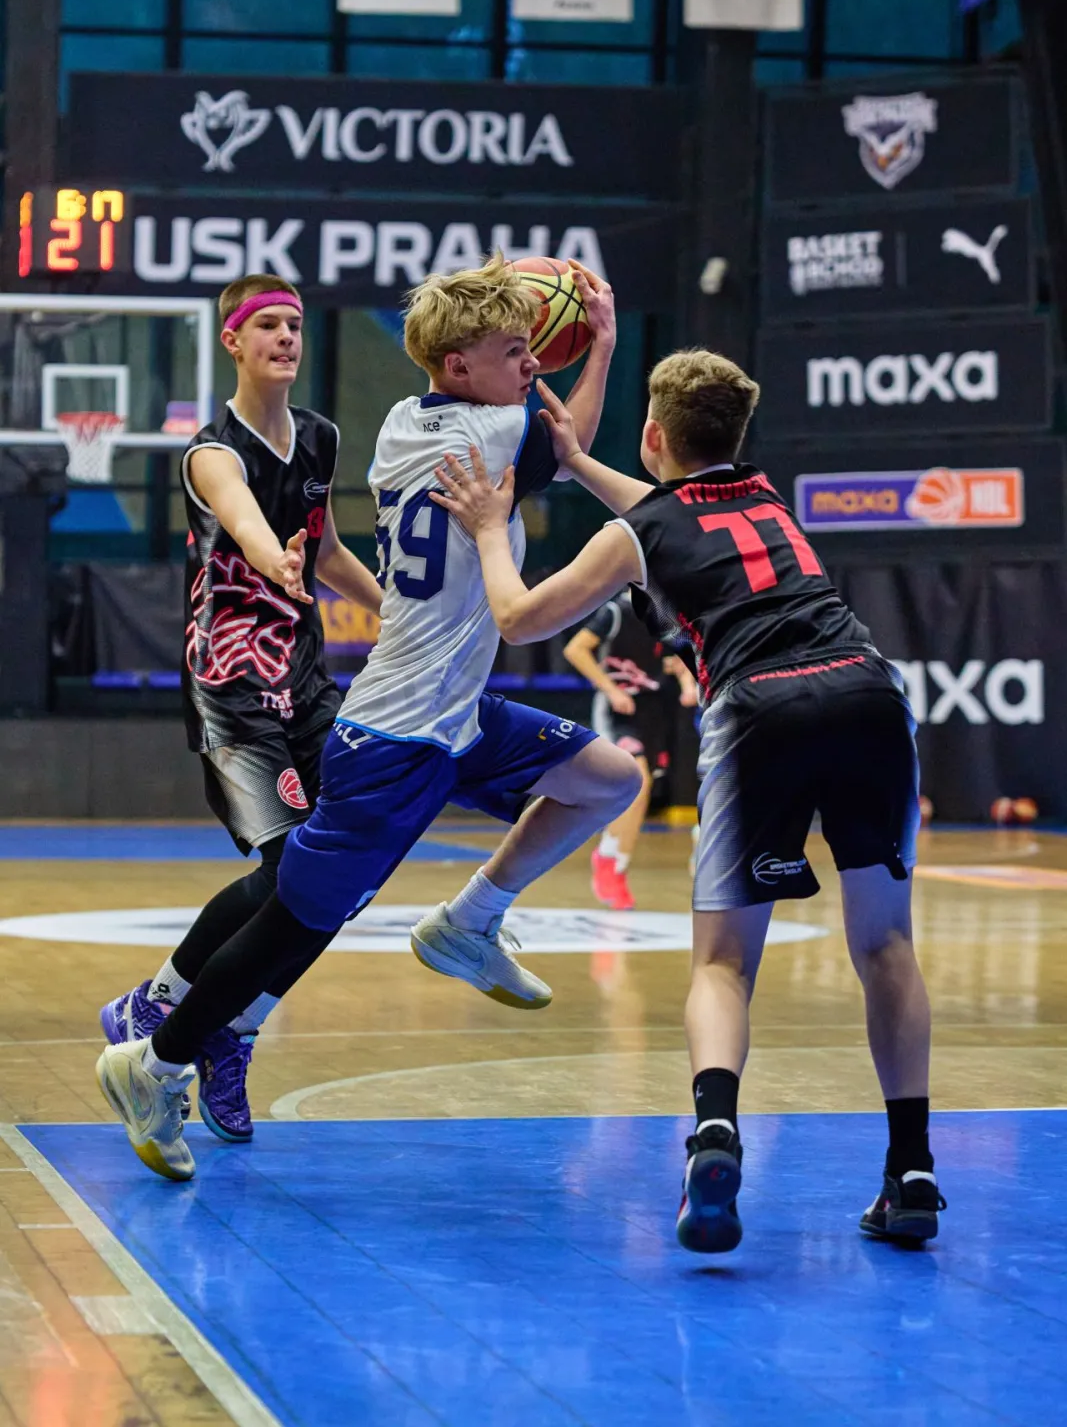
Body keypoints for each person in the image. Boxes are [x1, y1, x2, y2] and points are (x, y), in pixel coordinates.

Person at [95, 254, 641, 1182]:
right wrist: (604, 345)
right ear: (460, 367)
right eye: (516, 352)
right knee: (292, 916)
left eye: (533, 349)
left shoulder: (399, 423)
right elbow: (572, 439)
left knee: (608, 779)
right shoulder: (492, 433)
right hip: (388, 732)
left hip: (446, 712)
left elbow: (532, 438)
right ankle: (153, 1059)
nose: (532, 364)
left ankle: (468, 921)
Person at [428, 349, 943, 1255]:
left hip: (760, 705)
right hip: (866, 689)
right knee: (885, 945)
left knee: (724, 964)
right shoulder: (766, 500)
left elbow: (519, 617)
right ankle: (912, 1173)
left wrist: (489, 526)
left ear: (652, 434)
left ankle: (713, 1132)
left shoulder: (637, 533)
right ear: (735, 436)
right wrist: (579, 462)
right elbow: (667, 512)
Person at [98, 273, 382, 1145]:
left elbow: (323, 548)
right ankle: (160, 1003)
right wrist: (272, 558)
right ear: (233, 341)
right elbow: (250, 525)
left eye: (295, 324)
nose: (287, 337)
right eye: (268, 326)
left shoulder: (322, 437)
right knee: (292, 868)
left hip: (306, 680)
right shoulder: (211, 453)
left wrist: (394, 611)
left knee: (349, 869)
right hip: (229, 685)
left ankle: (237, 1028)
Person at [563, 593, 698, 909]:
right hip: (618, 712)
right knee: (638, 780)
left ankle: (615, 863)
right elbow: (575, 649)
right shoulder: (617, 611)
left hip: (654, 714)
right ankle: (607, 856)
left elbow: (679, 661)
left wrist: (688, 685)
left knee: (641, 793)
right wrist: (610, 689)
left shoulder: (669, 617)